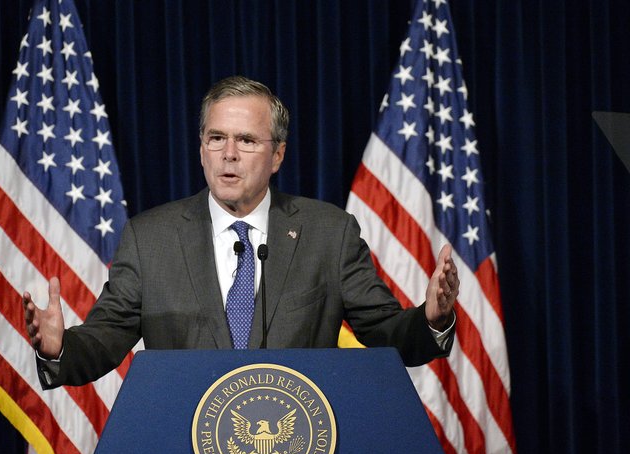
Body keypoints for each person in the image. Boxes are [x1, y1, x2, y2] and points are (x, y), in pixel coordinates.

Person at [24, 76, 459, 389]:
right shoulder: (150, 238)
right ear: (201, 148)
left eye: (247, 141)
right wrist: (59, 347)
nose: (228, 155)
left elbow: (387, 332)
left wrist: (432, 319)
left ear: (277, 155)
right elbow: (104, 341)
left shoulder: (329, 233)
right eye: (216, 138)